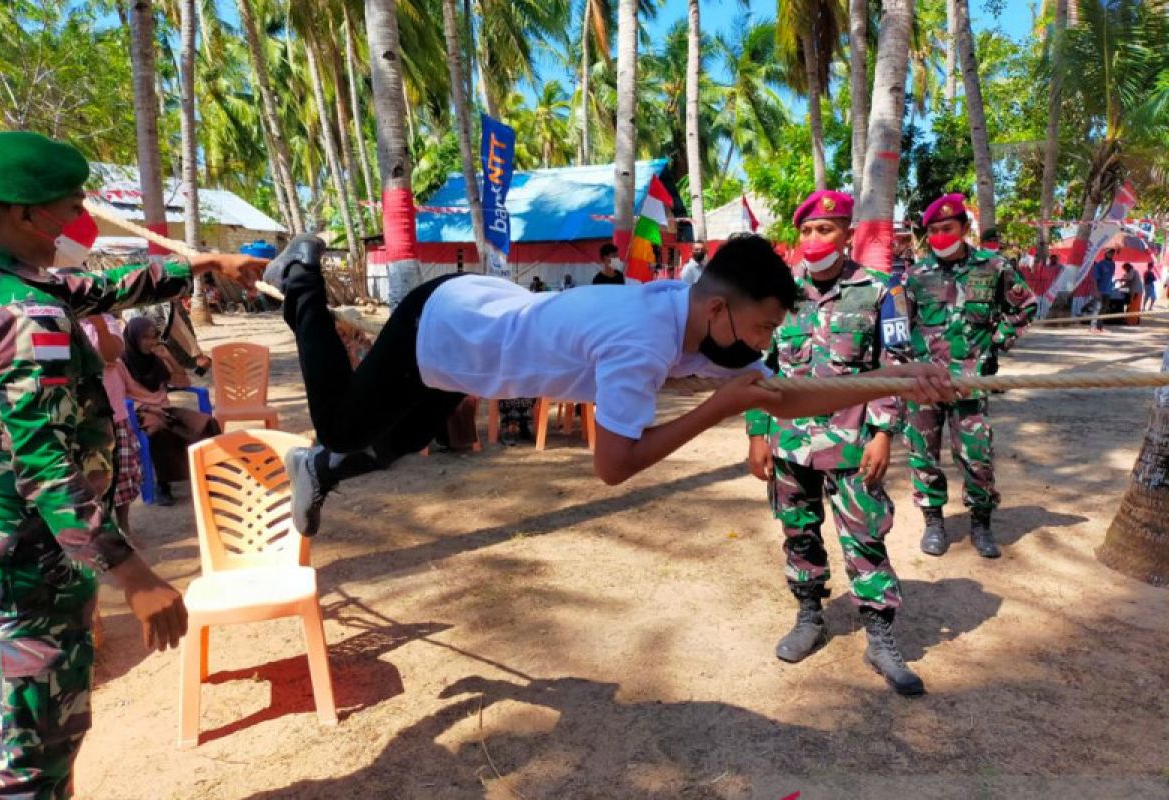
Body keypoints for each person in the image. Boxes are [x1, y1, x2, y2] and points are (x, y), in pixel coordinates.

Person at [260, 232, 954, 538]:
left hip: (477, 339)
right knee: (349, 426)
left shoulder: (698, 325)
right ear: (720, 309)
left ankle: (318, 471)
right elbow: (612, 467)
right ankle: (299, 281)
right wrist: (717, 409)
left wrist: (889, 381)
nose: (765, 345)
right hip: (445, 326)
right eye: (763, 327)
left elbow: (782, 395)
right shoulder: (642, 343)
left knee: (397, 441)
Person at [0, 131, 265, 799]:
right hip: (29, 563)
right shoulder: (24, 317)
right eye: (67, 207)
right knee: (27, 763)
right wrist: (132, 572)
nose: (78, 220)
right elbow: (46, 463)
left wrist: (201, 265)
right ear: (21, 214)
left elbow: (97, 288)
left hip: (18, 553)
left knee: (44, 744)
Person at [745, 191, 923, 695]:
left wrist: (884, 431)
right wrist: (758, 431)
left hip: (852, 440)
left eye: (825, 229)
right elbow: (760, 369)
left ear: (847, 235)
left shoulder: (881, 291)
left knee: (865, 536)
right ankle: (809, 616)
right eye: (806, 230)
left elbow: (895, 368)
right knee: (798, 530)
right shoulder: (778, 294)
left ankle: (880, 636)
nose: (814, 239)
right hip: (790, 442)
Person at [905, 194, 1037, 559]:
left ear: (964, 228)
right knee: (923, 455)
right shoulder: (916, 276)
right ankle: (933, 522)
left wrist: (996, 342)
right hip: (924, 386)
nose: (939, 236)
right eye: (932, 231)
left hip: (970, 383)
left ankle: (981, 523)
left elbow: (1025, 306)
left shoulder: (993, 267)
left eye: (947, 228)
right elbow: (900, 326)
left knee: (977, 458)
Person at [118, 316, 221, 505]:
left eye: (153, 337)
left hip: (165, 409)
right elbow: (120, 396)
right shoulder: (122, 363)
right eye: (145, 338)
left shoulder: (157, 359)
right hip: (142, 412)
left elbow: (184, 382)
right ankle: (164, 484)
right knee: (158, 431)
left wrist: (168, 357)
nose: (151, 343)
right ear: (133, 339)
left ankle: (211, 471)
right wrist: (147, 407)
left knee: (207, 422)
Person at [81, 314, 142, 542]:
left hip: (115, 413)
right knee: (91, 477)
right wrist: (94, 361)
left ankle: (125, 526)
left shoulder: (107, 322)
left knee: (123, 471)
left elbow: (111, 353)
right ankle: (99, 531)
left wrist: (98, 324)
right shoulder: (60, 321)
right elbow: (58, 361)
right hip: (84, 417)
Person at [1089, 248, 1117, 332]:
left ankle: (1099, 327)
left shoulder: (1113, 264)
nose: (1111, 254)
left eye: (1112, 253)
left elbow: (1111, 276)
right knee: (1097, 308)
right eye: (1109, 253)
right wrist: (1096, 290)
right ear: (1105, 254)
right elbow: (1095, 279)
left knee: (1104, 309)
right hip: (1100, 290)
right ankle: (1092, 327)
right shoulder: (1099, 264)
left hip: (1108, 290)